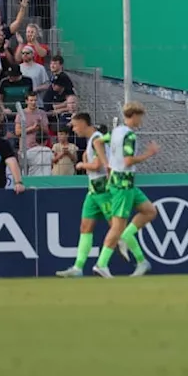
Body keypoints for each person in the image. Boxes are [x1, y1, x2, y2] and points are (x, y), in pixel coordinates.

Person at [56, 115, 134, 276]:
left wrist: (81, 164)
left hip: (102, 189)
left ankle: (140, 260)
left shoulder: (96, 139)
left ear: (84, 124)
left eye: (76, 126)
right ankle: (78, 268)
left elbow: (99, 166)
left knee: (117, 228)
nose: (74, 130)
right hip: (93, 191)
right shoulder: (92, 140)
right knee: (86, 227)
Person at [93, 102, 160, 278]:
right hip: (123, 184)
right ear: (135, 115)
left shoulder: (116, 131)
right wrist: (149, 154)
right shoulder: (129, 135)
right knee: (117, 227)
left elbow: (98, 142)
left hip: (124, 182)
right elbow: (129, 161)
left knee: (150, 211)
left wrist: (107, 163)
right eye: (140, 116)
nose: (141, 120)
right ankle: (101, 263)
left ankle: (139, 258)